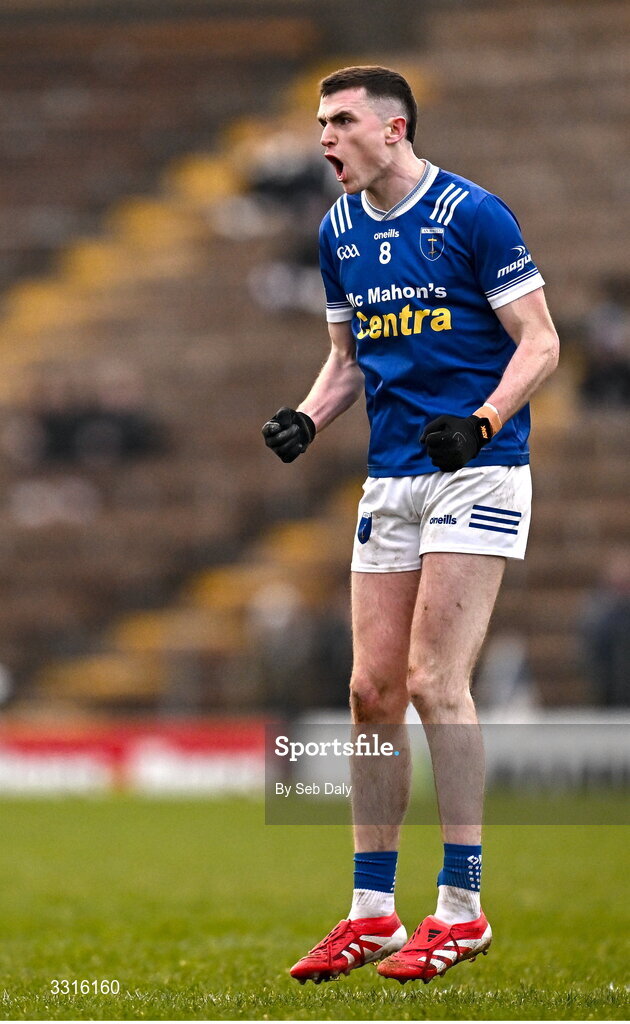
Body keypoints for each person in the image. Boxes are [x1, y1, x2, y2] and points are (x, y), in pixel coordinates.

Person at [262, 66, 559, 985]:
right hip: (392, 479)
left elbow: (540, 341)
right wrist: (309, 415)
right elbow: (347, 361)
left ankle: (462, 908)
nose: (325, 139)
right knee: (369, 692)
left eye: (341, 121)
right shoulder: (337, 231)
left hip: (479, 471)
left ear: (395, 129)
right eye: (319, 123)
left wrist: (483, 422)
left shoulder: (474, 215)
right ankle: (373, 913)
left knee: (437, 680)